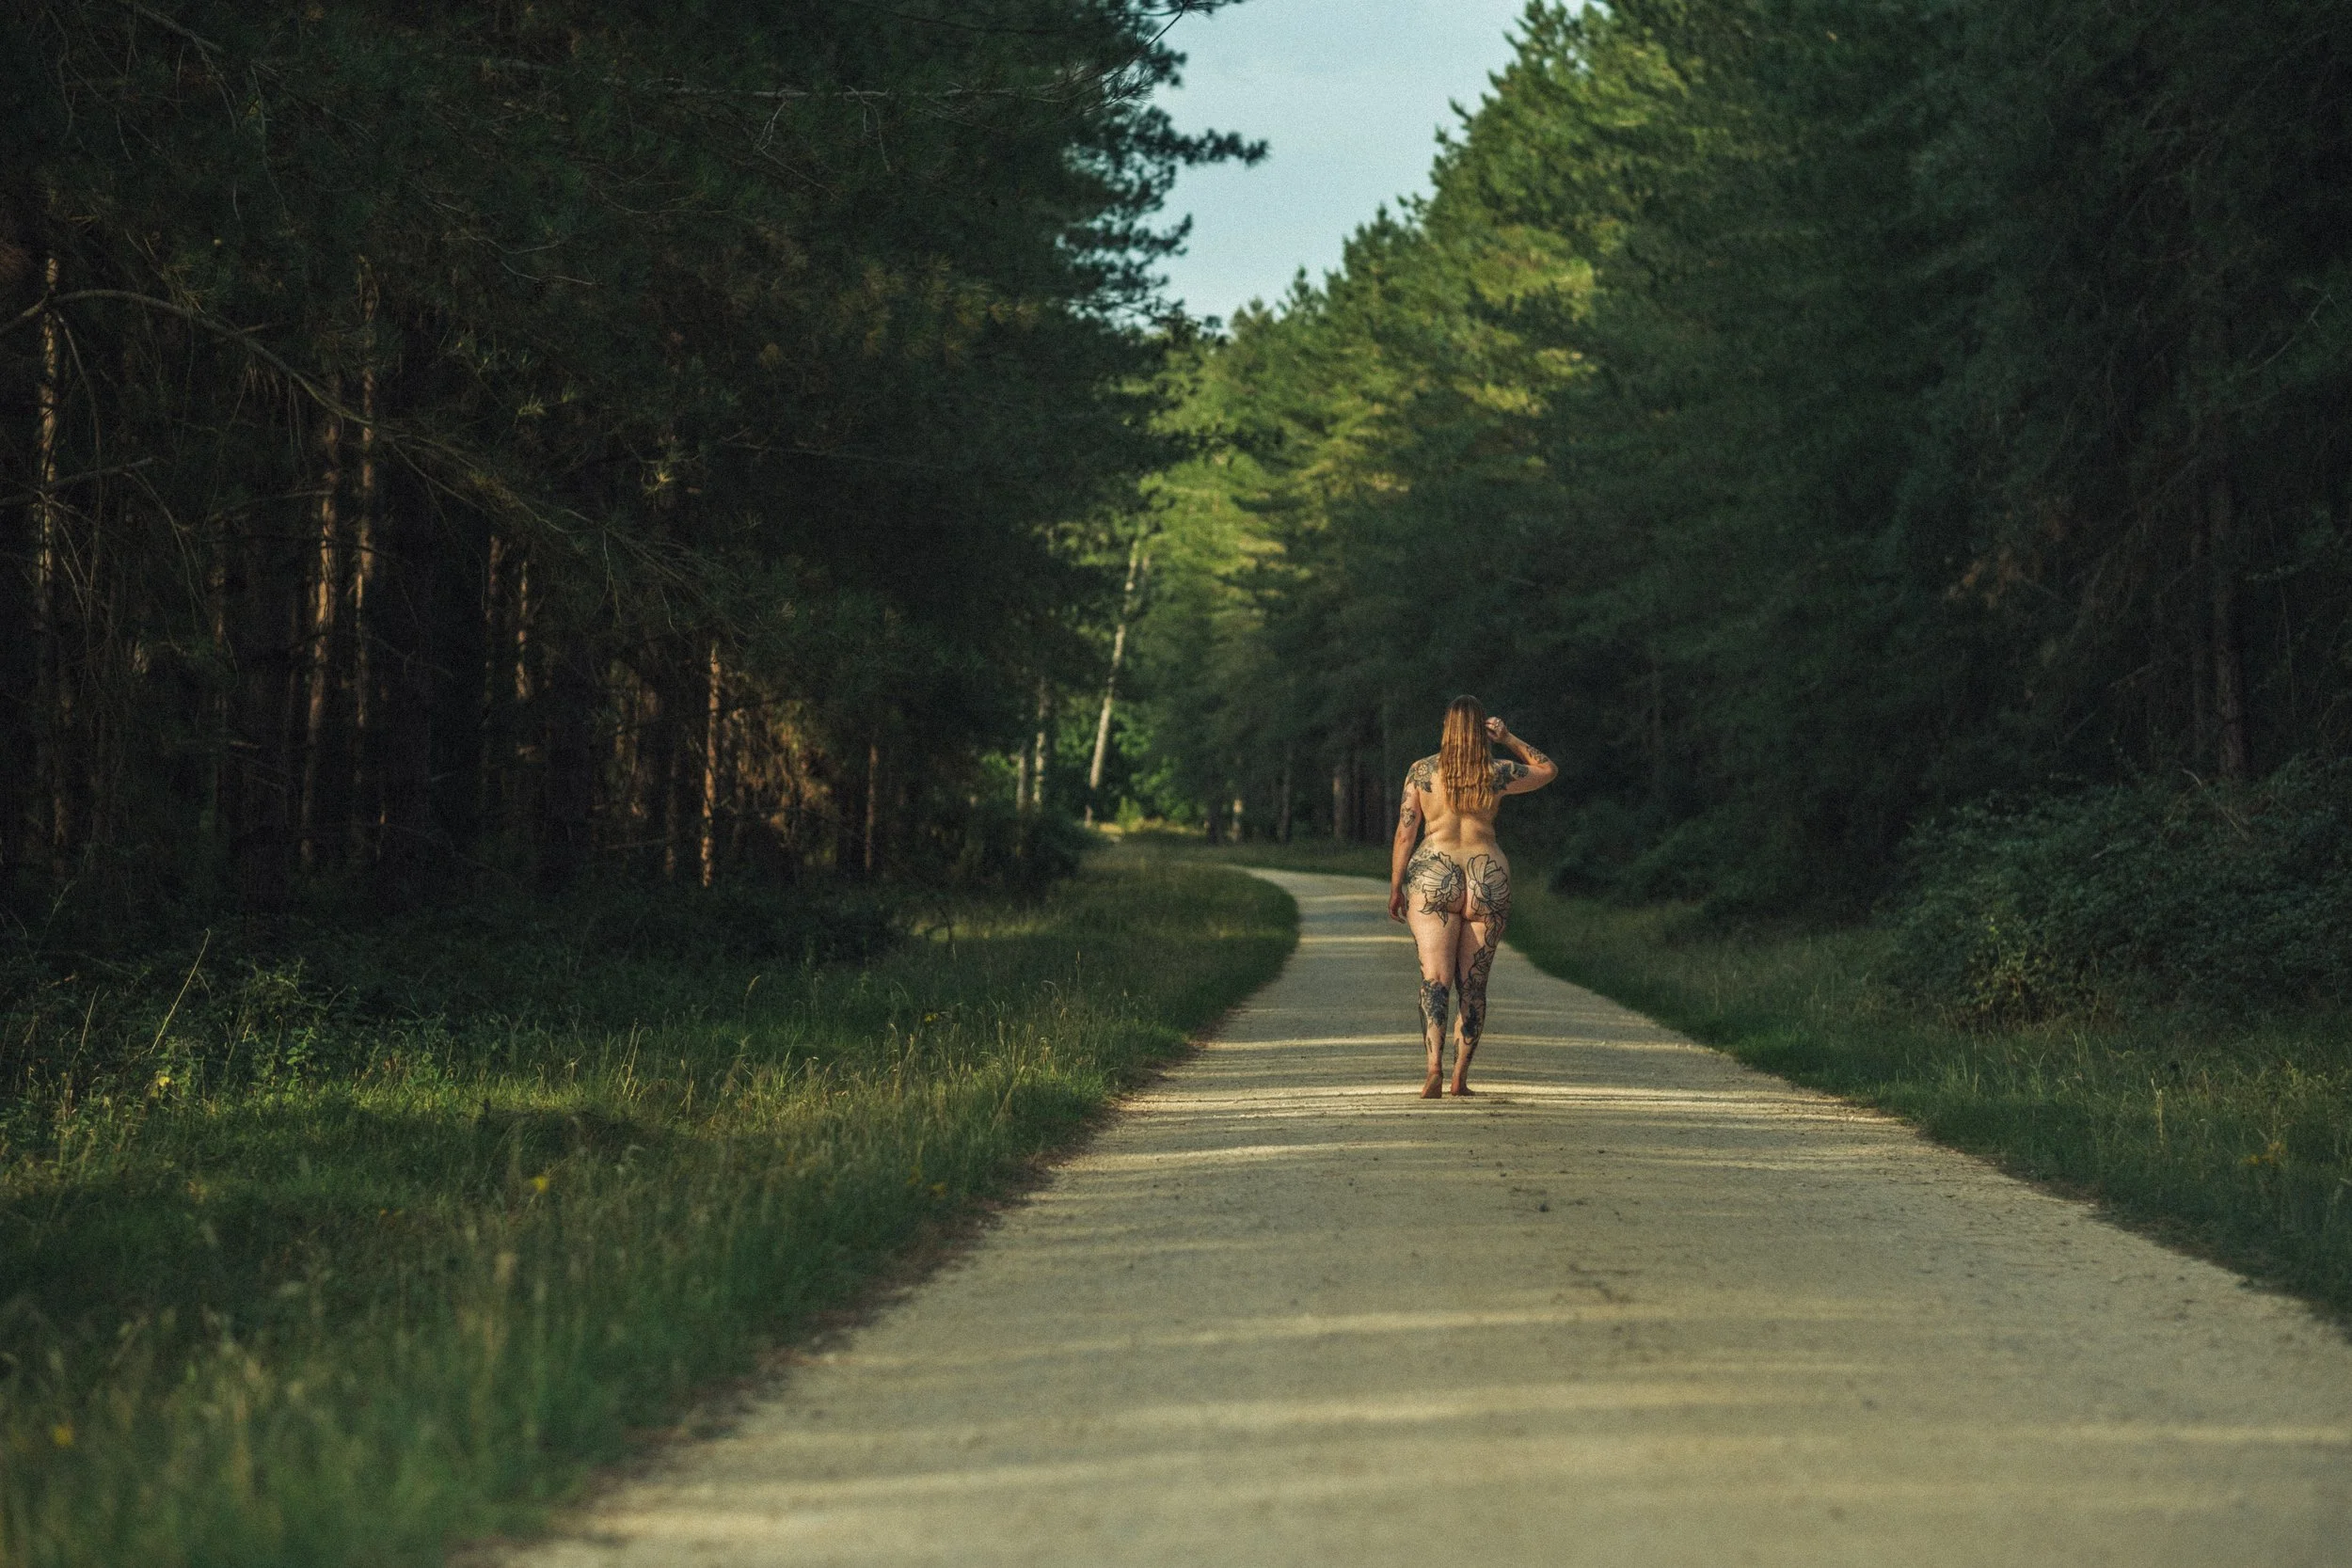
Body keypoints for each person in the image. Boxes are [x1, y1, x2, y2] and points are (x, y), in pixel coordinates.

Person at [1388, 697, 1557, 1097]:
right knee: (1474, 984)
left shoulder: (1422, 771)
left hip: (1433, 871)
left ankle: (1433, 1068)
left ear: (1446, 728)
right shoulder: (1496, 772)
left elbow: (1405, 832)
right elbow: (1548, 770)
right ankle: (1460, 1077)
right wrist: (1508, 738)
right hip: (1487, 875)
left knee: (1435, 978)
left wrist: (1396, 885)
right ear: (1483, 729)